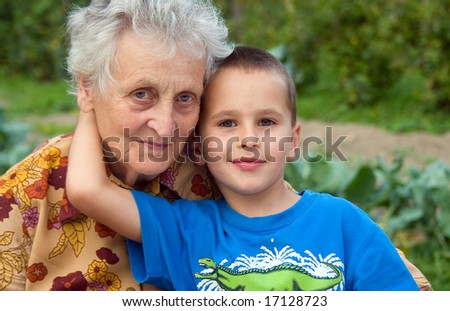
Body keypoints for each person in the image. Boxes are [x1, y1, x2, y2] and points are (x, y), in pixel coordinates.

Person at [66, 46, 422, 291]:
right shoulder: (185, 229)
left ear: (293, 139)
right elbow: (87, 189)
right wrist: (90, 100)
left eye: (266, 121)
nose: (249, 138)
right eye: (226, 124)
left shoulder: (344, 224)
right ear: (199, 145)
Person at [0, 0, 231, 291]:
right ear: (87, 88)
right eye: (142, 94)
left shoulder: (224, 177)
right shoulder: (23, 199)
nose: (165, 125)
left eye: (185, 97)